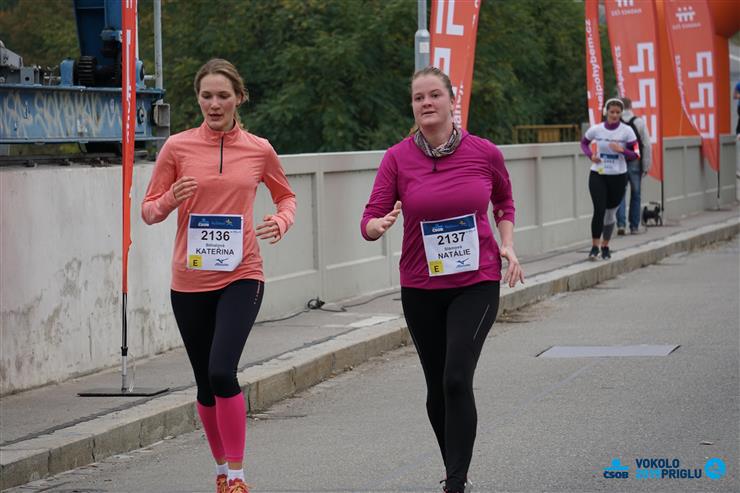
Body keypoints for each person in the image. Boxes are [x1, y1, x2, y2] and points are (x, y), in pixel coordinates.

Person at [360, 66, 525, 493]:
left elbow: (504, 202)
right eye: (419, 97)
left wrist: (507, 244)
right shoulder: (397, 158)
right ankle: (455, 468)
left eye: (434, 95)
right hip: (420, 286)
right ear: (413, 106)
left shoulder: (484, 153)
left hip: (476, 281)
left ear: (453, 101)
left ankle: (455, 483)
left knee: (456, 378)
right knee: (437, 386)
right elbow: (370, 215)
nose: (427, 103)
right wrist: (377, 226)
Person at [141, 58, 296, 493]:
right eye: (206, 96)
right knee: (206, 383)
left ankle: (239, 477)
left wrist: (281, 221)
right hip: (190, 281)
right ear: (198, 99)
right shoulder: (177, 148)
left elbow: (286, 197)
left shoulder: (259, 150)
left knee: (223, 371)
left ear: (239, 98)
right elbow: (149, 211)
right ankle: (223, 471)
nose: (214, 104)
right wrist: (171, 198)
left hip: (242, 274)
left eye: (223, 96)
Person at [580, 98, 638, 260]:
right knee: (599, 210)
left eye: (618, 112)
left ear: (621, 114)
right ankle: (594, 247)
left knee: (610, 214)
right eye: (612, 112)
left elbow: (636, 154)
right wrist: (591, 155)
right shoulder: (597, 129)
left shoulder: (627, 131)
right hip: (598, 173)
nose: (614, 115)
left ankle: (605, 245)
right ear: (606, 112)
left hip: (618, 176)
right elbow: (584, 143)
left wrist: (622, 150)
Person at [616, 96, 652, 235]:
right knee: (636, 194)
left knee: (620, 193)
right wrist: (646, 165)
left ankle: (621, 224)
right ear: (631, 106)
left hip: (619, 161)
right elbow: (646, 144)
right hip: (635, 162)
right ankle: (634, 226)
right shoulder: (639, 122)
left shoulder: (616, 122)